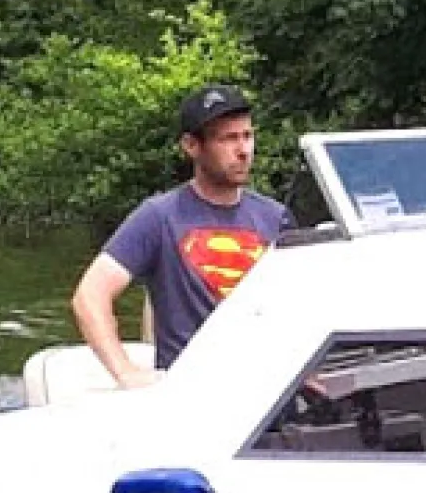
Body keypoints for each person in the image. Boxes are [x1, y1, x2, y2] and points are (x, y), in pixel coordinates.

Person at [71, 83, 295, 388]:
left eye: (248, 136)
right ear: (192, 146)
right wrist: (125, 373)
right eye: (228, 139)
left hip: (268, 391)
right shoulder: (159, 217)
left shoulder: (276, 218)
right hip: (190, 395)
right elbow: (90, 295)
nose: (243, 151)